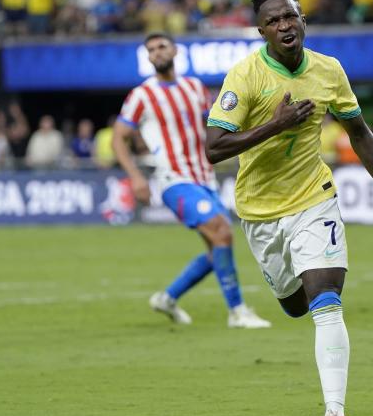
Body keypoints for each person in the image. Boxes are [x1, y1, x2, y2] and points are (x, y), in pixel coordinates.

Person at [205, 0, 373, 416]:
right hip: (259, 211)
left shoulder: (328, 70)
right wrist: (274, 124)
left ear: (303, 20)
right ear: (262, 32)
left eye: (290, 16)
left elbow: (359, 132)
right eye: (273, 20)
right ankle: (293, 294)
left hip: (314, 198)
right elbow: (214, 148)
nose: (284, 25)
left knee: (325, 300)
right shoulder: (245, 77)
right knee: (294, 304)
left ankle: (334, 414)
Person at [112, 32, 271, 330]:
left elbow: (212, 127)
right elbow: (118, 138)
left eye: (161, 47)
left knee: (216, 250)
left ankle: (168, 298)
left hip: (204, 178)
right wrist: (135, 177)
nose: (157, 53)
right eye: (151, 50)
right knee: (223, 231)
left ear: (174, 50)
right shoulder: (142, 96)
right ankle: (237, 311)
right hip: (174, 180)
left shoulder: (195, 88)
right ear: (147, 58)